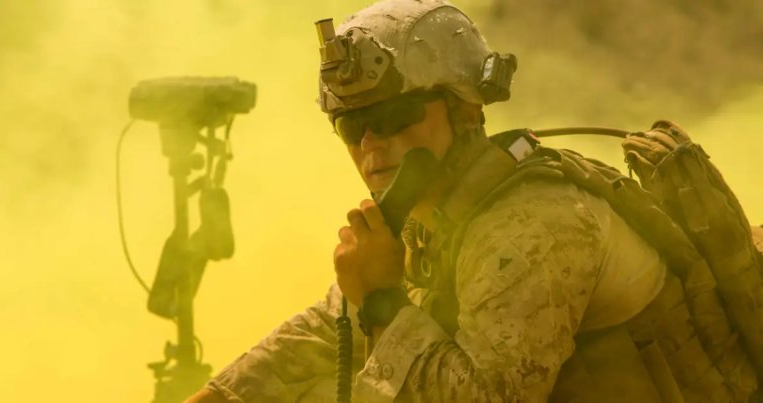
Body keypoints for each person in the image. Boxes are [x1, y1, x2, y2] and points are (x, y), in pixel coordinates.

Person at [187, 0, 763, 401]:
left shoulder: (536, 225)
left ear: (465, 111)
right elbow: (326, 331)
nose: (371, 146)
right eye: (352, 126)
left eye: (394, 117)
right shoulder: (428, 216)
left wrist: (384, 303)